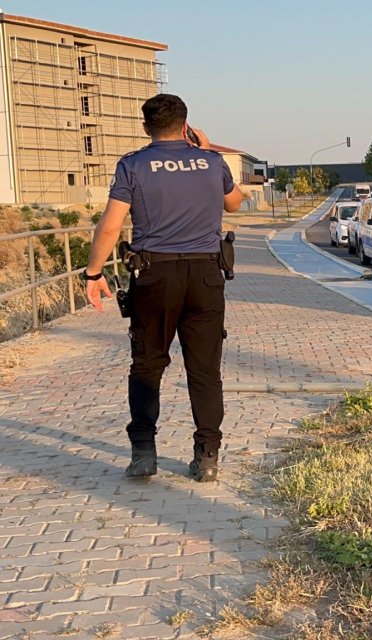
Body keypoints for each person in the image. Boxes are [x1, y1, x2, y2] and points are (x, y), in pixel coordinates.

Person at [82, 93, 243, 482]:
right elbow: (235, 203)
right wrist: (205, 151)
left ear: (146, 127)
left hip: (154, 275)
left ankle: (143, 454)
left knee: (148, 364)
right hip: (206, 276)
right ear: (185, 125)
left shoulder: (133, 165)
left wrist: (92, 273)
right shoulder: (212, 162)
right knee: (205, 370)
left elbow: (110, 225)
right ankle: (207, 456)